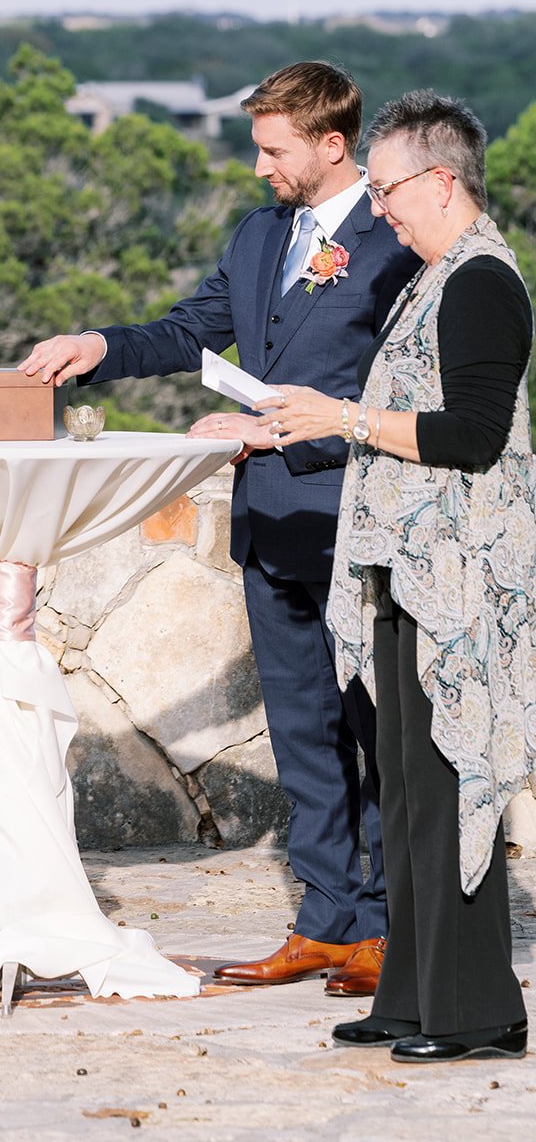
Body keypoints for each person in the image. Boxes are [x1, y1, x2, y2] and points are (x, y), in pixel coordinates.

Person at [19, 62, 420, 995]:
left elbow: (401, 394)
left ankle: (393, 930)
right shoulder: (260, 234)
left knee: (376, 734)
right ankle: (326, 923)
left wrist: (278, 427)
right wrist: (99, 349)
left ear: (332, 145)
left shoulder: (395, 239)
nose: (257, 169)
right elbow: (193, 331)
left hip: (357, 525)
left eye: (273, 151)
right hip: (271, 531)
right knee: (304, 736)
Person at [266, 92, 534, 1062]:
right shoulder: (435, 278)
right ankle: (415, 996)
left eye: (384, 190)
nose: (377, 209)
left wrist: (338, 416)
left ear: (440, 180)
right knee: (410, 789)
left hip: (457, 585)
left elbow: (471, 435)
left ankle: (475, 1011)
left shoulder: (482, 282)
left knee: (451, 785)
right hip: (411, 576)